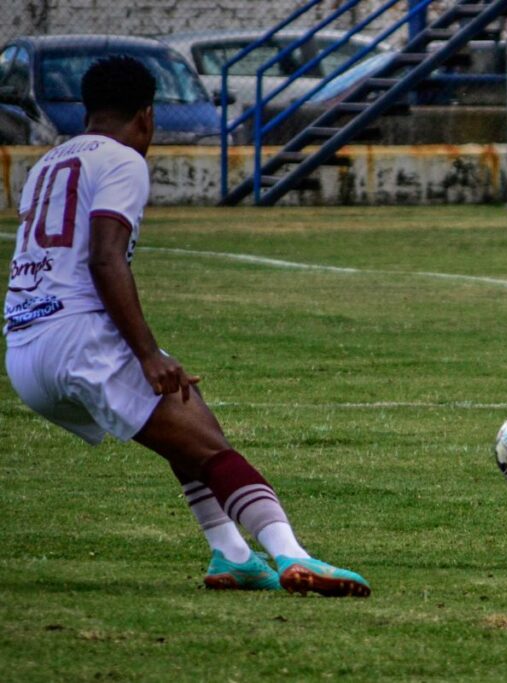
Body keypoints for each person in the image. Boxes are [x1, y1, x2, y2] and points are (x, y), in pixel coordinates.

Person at [3, 55, 369, 597]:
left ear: (89, 108)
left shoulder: (46, 165)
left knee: (186, 423)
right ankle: (293, 555)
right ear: (146, 116)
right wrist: (148, 354)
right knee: (211, 449)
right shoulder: (123, 159)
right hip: (78, 337)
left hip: (23, 350)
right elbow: (106, 259)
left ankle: (232, 553)